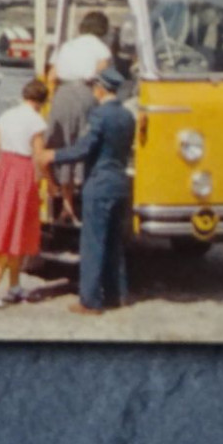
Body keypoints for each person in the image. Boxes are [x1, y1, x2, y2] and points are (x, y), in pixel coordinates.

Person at [42, 66, 136, 315]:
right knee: (114, 243)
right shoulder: (128, 116)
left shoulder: (99, 116)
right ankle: (117, 293)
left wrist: (54, 155)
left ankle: (90, 300)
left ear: (101, 89)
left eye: (95, 87)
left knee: (93, 242)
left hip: (99, 183)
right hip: (120, 183)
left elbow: (84, 148)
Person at [0, 78, 52, 308]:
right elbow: (39, 157)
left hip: (2, 171)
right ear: (41, 102)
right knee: (11, 232)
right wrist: (48, 183)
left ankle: (14, 286)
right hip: (21, 175)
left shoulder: (6, 116)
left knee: (13, 229)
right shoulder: (36, 121)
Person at [45, 11, 112, 221]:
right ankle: (84, 204)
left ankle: (66, 204)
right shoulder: (101, 49)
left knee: (63, 146)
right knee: (85, 146)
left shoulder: (66, 46)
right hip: (86, 93)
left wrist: (51, 101)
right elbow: (103, 78)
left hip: (62, 95)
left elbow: (51, 76)